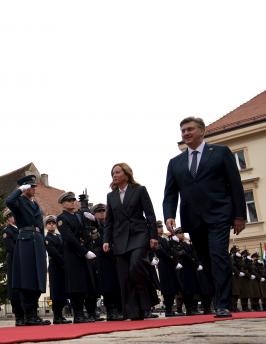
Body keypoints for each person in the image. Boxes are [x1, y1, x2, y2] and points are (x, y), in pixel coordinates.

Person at [163, 116, 246, 318]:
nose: (186, 133)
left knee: (218, 255)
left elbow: (235, 185)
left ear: (202, 131)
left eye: (190, 129)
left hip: (219, 214)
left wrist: (239, 216)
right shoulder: (175, 163)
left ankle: (223, 303)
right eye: (183, 130)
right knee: (206, 260)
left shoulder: (220, 153)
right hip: (193, 218)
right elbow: (171, 193)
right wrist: (169, 215)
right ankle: (218, 296)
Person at [103, 163, 159, 320]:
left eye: (118, 172)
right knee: (124, 276)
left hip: (138, 235)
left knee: (136, 267)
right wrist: (106, 240)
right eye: (113, 172)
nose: (114, 175)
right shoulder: (111, 196)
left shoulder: (139, 190)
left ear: (127, 174)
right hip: (119, 239)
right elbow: (109, 221)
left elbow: (150, 215)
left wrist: (153, 235)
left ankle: (146, 306)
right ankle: (133, 312)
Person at [5, 174, 50, 326]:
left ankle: (33, 314)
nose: (34, 188)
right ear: (25, 188)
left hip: (37, 241)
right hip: (25, 240)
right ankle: (29, 315)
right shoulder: (19, 202)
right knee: (27, 278)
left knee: (38, 277)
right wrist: (19, 190)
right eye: (31, 186)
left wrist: (43, 243)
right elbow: (8, 201)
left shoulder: (36, 204)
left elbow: (41, 225)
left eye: (33, 186)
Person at [56, 191, 97, 323]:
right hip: (72, 254)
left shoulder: (79, 216)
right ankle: (78, 314)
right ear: (62, 204)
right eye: (68, 200)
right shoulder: (62, 218)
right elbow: (69, 238)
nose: (72, 202)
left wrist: (88, 246)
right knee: (75, 285)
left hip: (82, 253)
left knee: (84, 283)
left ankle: (84, 313)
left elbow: (85, 232)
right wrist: (84, 251)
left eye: (73, 200)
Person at [91, 204, 124, 321]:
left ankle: (120, 309)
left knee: (117, 284)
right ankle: (111, 310)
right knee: (108, 286)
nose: (101, 213)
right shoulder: (94, 226)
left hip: (115, 257)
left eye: (103, 211)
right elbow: (99, 241)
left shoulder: (110, 225)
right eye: (98, 211)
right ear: (94, 214)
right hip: (103, 259)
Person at [45, 215, 71, 324]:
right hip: (55, 265)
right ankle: (56, 316)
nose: (52, 225)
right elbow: (53, 252)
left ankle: (61, 315)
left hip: (62, 266)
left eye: (53, 223)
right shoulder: (47, 238)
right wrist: (64, 262)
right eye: (49, 223)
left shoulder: (59, 237)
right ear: (46, 226)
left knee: (62, 290)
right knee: (56, 291)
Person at [154, 221, 183, 316]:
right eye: (159, 227)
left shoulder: (164, 239)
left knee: (172, 287)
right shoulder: (155, 239)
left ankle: (170, 308)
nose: (161, 229)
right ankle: (168, 309)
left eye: (162, 227)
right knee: (166, 287)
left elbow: (170, 249)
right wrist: (170, 258)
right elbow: (160, 250)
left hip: (169, 265)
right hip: (163, 264)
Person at [3, 209, 23, 325]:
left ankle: (26, 313)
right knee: (14, 287)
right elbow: (10, 247)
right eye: (11, 216)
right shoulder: (7, 231)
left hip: (22, 262)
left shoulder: (20, 230)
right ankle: (19, 316)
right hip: (13, 261)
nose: (14, 218)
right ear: (8, 218)